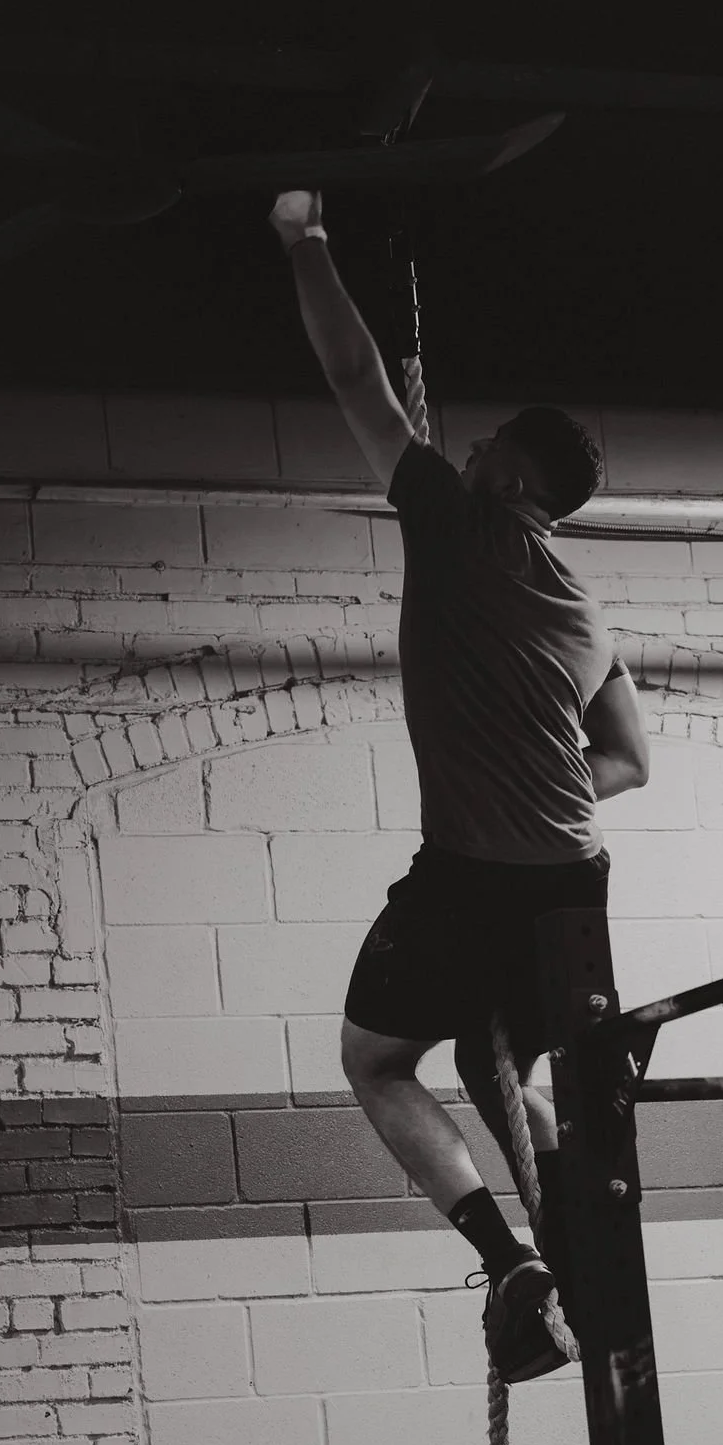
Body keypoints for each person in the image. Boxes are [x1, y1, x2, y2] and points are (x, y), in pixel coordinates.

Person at [268, 191, 651, 1383]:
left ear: (503, 478)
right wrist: (535, 787)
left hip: (473, 879)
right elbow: (629, 762)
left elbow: (355, 381)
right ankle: (576, 1256)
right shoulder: (584, 610)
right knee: (507, 1070)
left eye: (481, 448)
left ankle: (512, 1262)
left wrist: (306, 244)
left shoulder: (452, 520)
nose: (464, 451)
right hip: (571, 885)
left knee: (376, 1062)